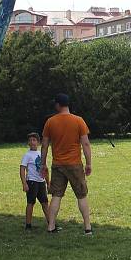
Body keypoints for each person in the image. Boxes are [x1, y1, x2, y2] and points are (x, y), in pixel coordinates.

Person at [41, 93, 93, 235]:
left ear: (58, 105)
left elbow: (44, 145)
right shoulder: (79, 121)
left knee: (56, 196)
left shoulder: (50, 122)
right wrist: (89, 164)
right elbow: (86, 144)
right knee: (81, 195)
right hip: (75, 164)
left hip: (57, 165)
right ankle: (87, 227)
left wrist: (43, 164)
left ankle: (51, 226)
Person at [21, 132, 50, 230]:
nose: (32, 142)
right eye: (30, 140)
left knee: (45, 203)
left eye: (34, 140)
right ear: (28, 143)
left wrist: (48, 182)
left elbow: (45, 169)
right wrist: (24, 183)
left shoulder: (41, 154)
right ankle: (28, 225)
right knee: (30, 203)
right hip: (32, 182)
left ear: (38, 142)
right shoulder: (27, 155)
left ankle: (51, 223)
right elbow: (22, 169)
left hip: (41, 182)